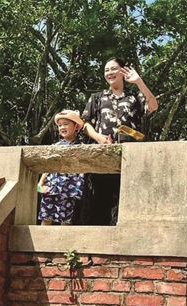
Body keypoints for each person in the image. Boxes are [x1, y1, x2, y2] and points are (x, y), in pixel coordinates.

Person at [81, 58, 159, 224]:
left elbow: (153, 106)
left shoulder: (134, 97)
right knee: (98, 205)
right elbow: (85, 123)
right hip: (102, 157)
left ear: (123, 71)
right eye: (106, 70)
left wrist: (139, 82)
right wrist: (98, 137)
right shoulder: (97, 98)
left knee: (127, 205)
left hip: (130, 159)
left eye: (113, 69)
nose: (109, 73)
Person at [37, 110, 86, 225]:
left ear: (76, 127)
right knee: (46, 217)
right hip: (52, 186)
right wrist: (40, 183)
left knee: (65, 219)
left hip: (69, 189)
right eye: (59, 125)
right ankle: (42, 242)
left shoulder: (82, 146)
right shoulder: (55, 146)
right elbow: (48, 167)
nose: (62, 127)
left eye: (66, 124)